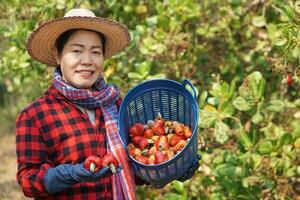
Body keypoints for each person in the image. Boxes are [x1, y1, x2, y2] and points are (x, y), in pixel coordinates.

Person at [16, 8, 200, 200]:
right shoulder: (36, 115)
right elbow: (28, 181)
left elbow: (134, 169)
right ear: (58, 55)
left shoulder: (117, 106)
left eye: (95, 52)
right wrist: (70, 173)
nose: (87, 61)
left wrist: (171, 168)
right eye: (77, 51)